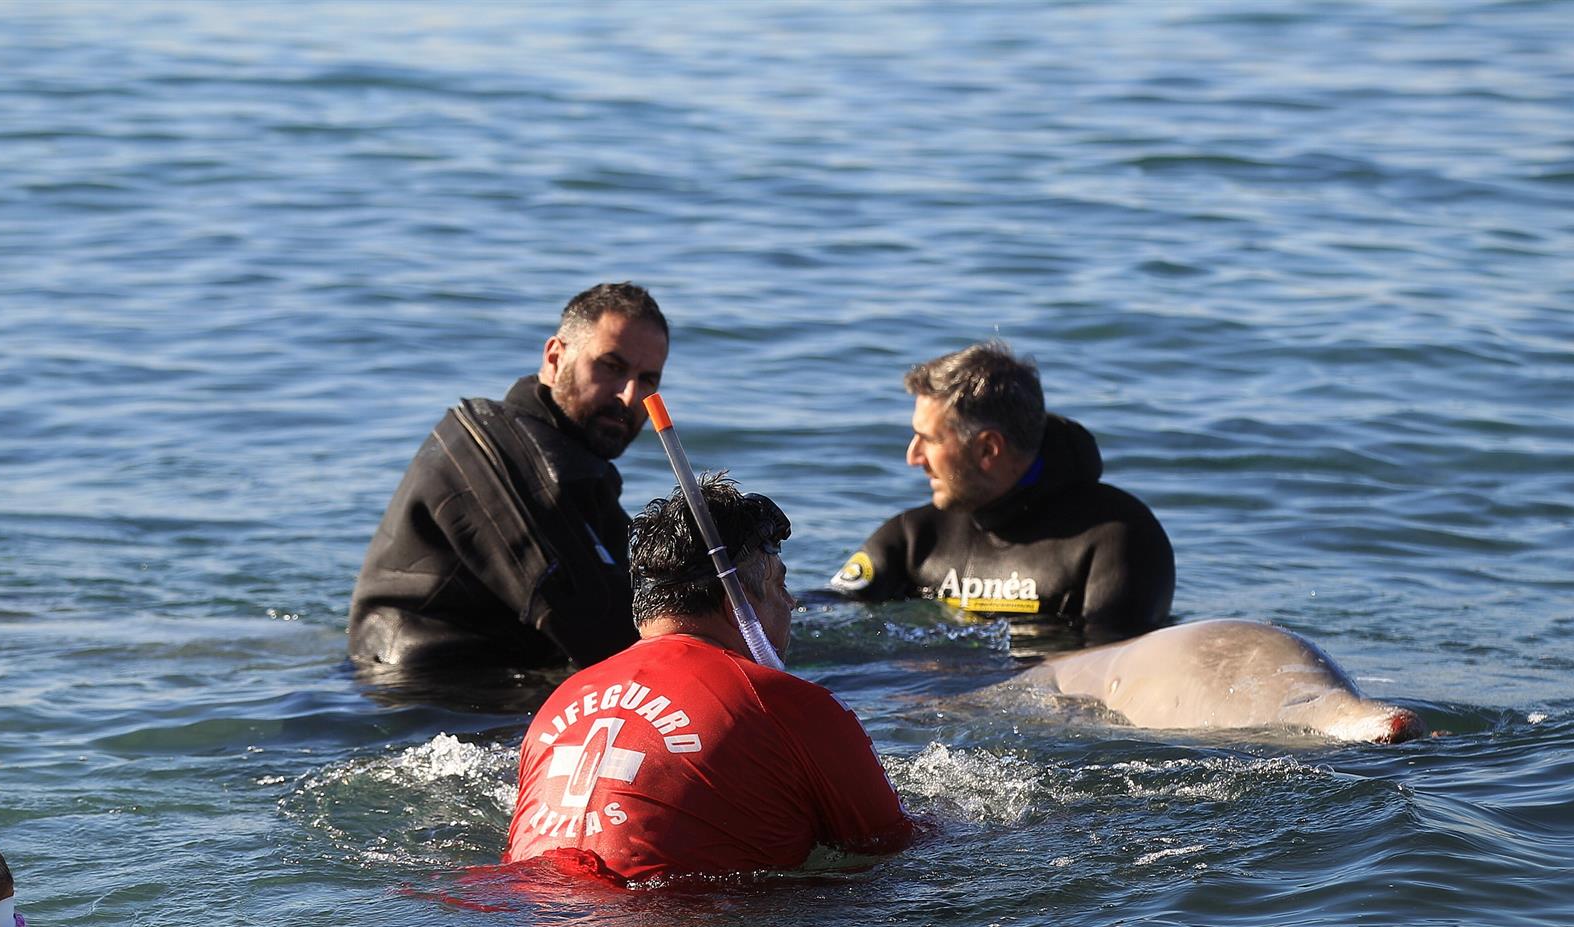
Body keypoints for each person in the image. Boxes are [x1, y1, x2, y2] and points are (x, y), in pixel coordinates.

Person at [504, 475, 914, 883]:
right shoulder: (784, 703)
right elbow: (892, 848)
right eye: (780, 585)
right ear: (737, 604)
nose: (791, 604)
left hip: (527, 912)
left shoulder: (564, 697)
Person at [349, 282, 671, 671]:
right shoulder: (492, 452)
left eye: (648, 379)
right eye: (611, 367)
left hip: (498, 686)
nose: (629, 396)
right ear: (555, 358)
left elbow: (626, 599)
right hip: (417, 697)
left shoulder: (581, 471)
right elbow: (594, 625)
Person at [827, 341, 1174, 642]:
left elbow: (1111, 671)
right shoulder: (914, 537)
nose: (912, 456)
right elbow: (816, 620)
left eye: (929, 439)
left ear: (988, 450)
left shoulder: (1116, 541)